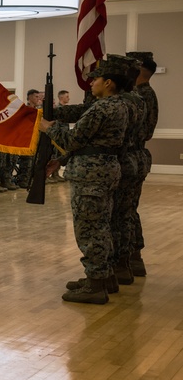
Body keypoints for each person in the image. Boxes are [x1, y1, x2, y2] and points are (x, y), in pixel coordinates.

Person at [40, 56, 129, 305]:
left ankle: (95, 284)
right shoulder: (120, 105)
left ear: (108, 83)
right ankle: (104, 277)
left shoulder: (103, 107)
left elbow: (72, 139)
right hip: (103, 171)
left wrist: (47, 127)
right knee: (101, 225)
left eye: (96, 80)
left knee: (90, 228)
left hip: (92, 174)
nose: (91, 84)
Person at [125, 51, 159, 276]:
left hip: (131, 155)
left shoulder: (141, 95)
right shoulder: (144, 93)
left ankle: (129, 258)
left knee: (125, 212)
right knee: (128, 210)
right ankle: (133, 258)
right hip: (136, 155)